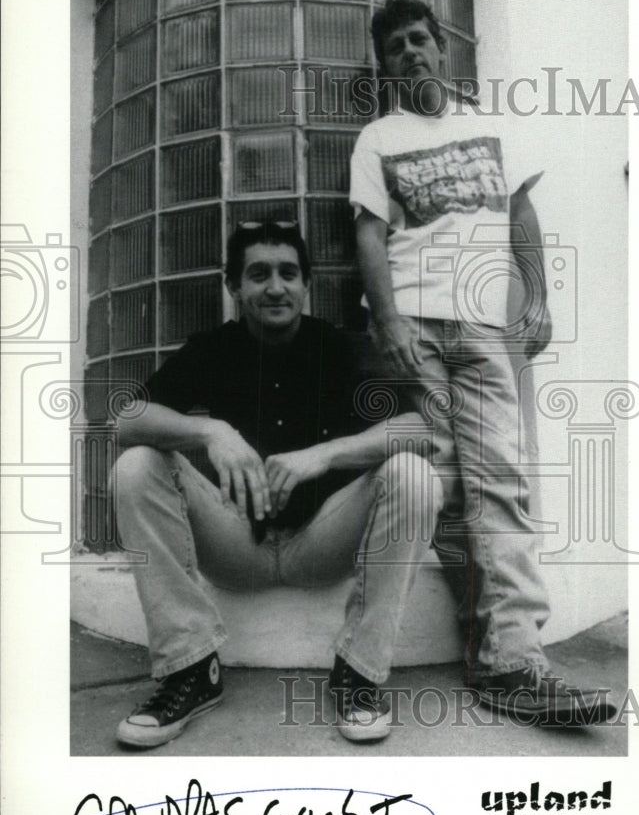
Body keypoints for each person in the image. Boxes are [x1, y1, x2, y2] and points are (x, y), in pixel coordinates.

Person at [349, 0, 616, 726]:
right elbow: (369, 237)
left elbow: (520, 215)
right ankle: (495, 656)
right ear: (385, 64)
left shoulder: (490, 124)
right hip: (415, 329)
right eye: (395, 46)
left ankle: (513, 655)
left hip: (480, 328)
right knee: (440, 489)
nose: (410, 52)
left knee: (500, 479)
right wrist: (389, 319)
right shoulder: (378, 137)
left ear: (442, 49)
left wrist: (535, 301)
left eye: (419, 39)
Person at [112, 220, 441, 748]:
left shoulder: (338, 346)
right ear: (234, 287)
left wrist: (325, 454)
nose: (275, 287)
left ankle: (358, 674)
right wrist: (209, 430)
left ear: (305, 284)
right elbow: (126, 421)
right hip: (234, 543)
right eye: (258, 274)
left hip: (321, 543)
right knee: (137, 465)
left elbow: (421, 430)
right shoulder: (213, 348)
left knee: (413, 473)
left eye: (289, 273)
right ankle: (191, 670)